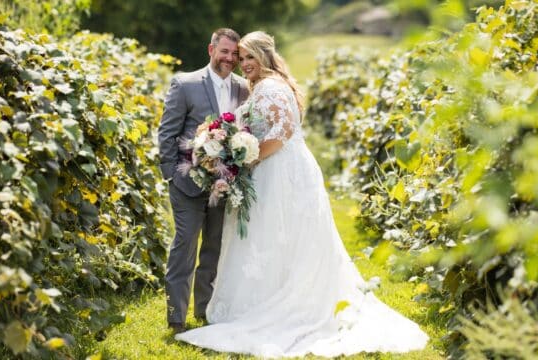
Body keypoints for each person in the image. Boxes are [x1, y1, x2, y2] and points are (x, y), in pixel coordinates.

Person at [175, 31, 429, 357]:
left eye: (250, 57)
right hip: (278, 169)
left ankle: (279, 304)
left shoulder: (270, 87)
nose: (244, 64)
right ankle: (269, 295)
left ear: (265, 57)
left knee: (277, 237)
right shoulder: (270, 86)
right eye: (242, 58)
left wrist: (245, 157)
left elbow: (281, 134)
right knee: (278, 239)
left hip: (280, 171)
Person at [158, 28, 250, 334]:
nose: (230, 59)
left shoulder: (243, 88)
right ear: (210, 49)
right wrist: (170, 173)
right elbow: (167, 132)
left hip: (224, 185)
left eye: (235, 54)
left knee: (214, 248)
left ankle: (204, 311)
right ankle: (176, 318)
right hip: (186, 183)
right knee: (184, 247)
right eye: (224, 51)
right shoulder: (185, 84)